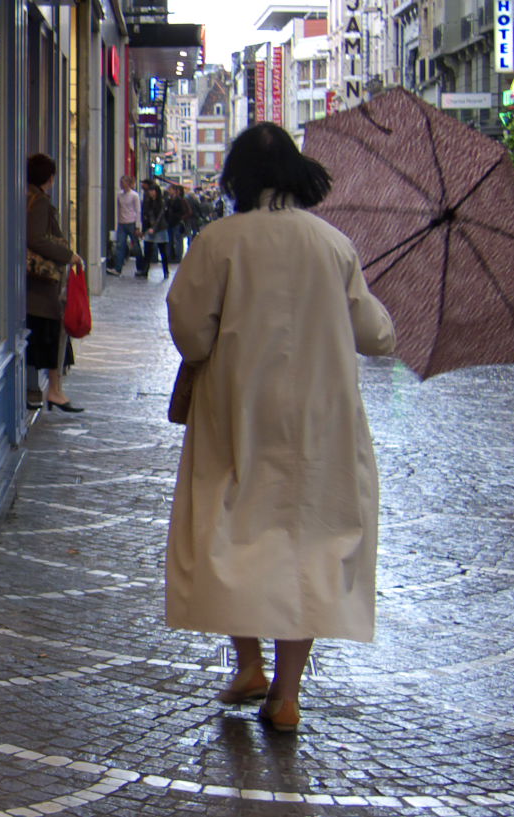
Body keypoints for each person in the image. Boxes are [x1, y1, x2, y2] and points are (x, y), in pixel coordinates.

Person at [164, 122, 396, 734]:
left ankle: (249, 666)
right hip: (321, 421)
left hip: (237, 412)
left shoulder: (217, 243)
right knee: (309, 544)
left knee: (235, 533)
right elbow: (377, 336)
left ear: (237, 177)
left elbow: (191, 332)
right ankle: (286, 695)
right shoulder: (334, 245)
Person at [23, 154, 81, 412]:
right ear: (50, 177)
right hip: (42, 285)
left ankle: (54, 391)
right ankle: (54, 392)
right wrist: (69, 255)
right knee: (50, 337)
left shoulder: (28, 199)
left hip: (34, 285)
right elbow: (36, 239)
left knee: (44, 338)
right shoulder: (40, 203)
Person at [109, 174, 141, 276]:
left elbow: (138, 210)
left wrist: (137, 226)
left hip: (131, 223)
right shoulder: (119, 195)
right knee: (120, 246)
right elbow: (118, 209)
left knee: (136, 246)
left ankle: (140, 267)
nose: (121, 185)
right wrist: (117, 223)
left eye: (123, 183)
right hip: (122, 223)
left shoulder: (134, 195)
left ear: (128, 183)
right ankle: (118, 269)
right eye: (121, 183)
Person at [139, 178, 171, 278]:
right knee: (147, 250)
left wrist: (154, 228)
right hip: (150, 228)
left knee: (162, 251)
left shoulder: (161, 202)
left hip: (160, 229)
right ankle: (145, 270)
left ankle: (166, 271)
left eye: (153, 191)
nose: (151, 193)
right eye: (150, 191)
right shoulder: (147, 202)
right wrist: (145, 230)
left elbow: (160, 217)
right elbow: (145, 216)